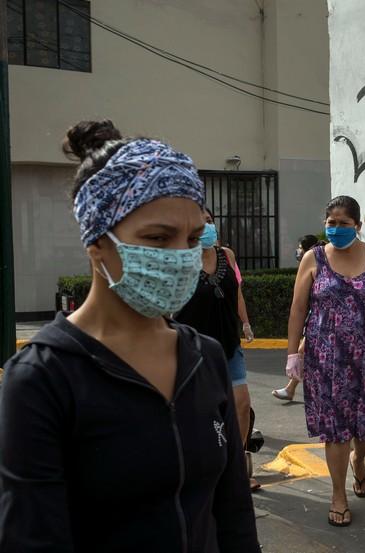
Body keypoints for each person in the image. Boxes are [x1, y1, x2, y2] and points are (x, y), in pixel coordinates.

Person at [0, 120, 259, 551]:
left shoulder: (205, 356)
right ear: (97, 244)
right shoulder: (41, 378)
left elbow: (232, 513)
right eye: (158, 238)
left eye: (193, 238)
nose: (182, 257)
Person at [284, 195, 365, 527]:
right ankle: (338, 494)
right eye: (331, 223)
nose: (336, 229)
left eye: (343, 223)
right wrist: (293, 353)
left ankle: (359, 459)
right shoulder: (313, 259)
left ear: (358, 225)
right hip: (326, 360)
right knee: (336, 430)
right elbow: (298, 309)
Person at [175, 208, 259, 490]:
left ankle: (237, 461)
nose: (207, 226)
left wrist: (245, 323)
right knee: (199, 409)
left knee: (242, 404)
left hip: (228, 342)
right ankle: (204, 465)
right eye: (200, 223)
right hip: (193, 347)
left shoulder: (227, 255)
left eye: (209, 221)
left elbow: (237, 292)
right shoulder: (181, 259)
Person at [272, 234, 323, 401]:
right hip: (315, 319)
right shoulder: (310, 264)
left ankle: (291, 389)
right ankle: (290, 388)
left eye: (300, 247)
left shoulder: (317, 262)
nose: (298, 251)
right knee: (302, 351)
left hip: (321, 321)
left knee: (302, 351)